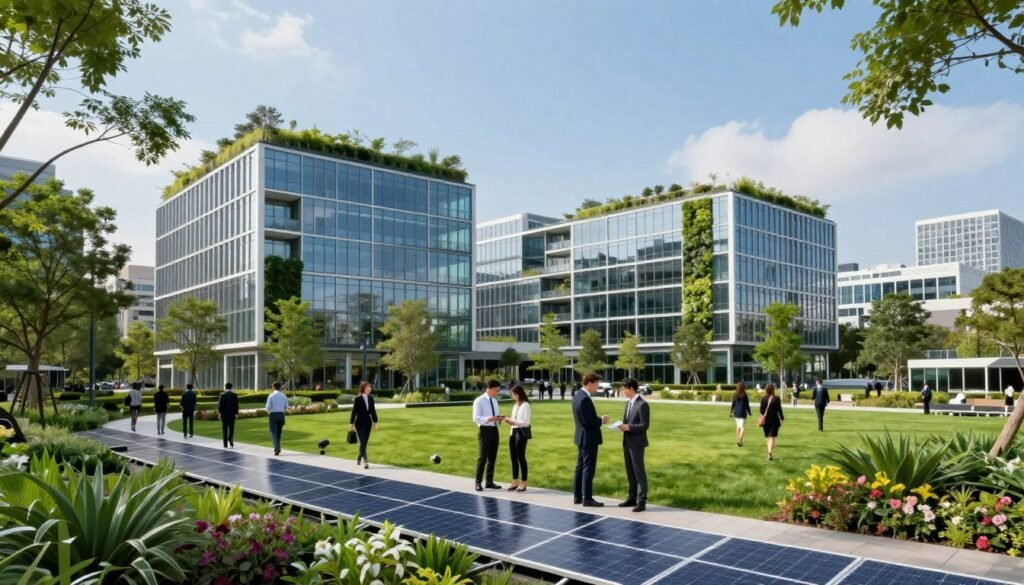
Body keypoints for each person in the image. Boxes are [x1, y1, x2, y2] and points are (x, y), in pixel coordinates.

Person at [572, 372, 609, 507]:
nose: (597, 387)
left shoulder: (577, 396)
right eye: (596, 384)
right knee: (588, 468)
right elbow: (588, 421)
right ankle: (587, 498)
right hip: (589, 438)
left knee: (580, 467)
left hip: (581, 437)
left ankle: (577, 496)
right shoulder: (585, 399)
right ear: (590, 383)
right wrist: (601, 420)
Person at [617, 378, 649, 513]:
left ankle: (641, 501)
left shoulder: (642, 404)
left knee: (638, 472)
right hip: (627, 442)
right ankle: (632, 497)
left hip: (637, 443)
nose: (622, 391)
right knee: (630, 471)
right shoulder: (628, 404)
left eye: (624, 389)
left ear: (631, 389)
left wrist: (628, 427)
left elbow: (644, 425)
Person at [472, 380, 504, 491]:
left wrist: (498, 419)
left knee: (492, 457)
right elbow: (475, 418)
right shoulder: (479, 401)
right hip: (484, 431)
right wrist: (489, 419)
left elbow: (494, 416)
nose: (497, 392)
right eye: (496, 390)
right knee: (482, 457)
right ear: (489, 388)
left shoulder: (495, 401)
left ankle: (489, 482)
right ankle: (478, 482)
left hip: (495, 430)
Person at [503, 384, 532, 492]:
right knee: (513, 458)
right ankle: (515, 480)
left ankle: (524, 482)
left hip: (521, 433)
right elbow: (514, 420)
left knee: (521, 457)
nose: (512, 396)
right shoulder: (515, 405)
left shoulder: (526, 405)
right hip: (513, 432)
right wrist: (507, 420)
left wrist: (512, 421)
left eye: (513, 394)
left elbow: (526, 423)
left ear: (518, 394)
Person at [350, 381, 378, 468]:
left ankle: (359, 457)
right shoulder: (357, 399)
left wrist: (375, 422)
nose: (370, 389)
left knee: (364, 443)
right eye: (368, 387)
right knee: (363, 441)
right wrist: (351, 423)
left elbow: (373, 411)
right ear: (363, 388)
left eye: (370, 387)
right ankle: (365, 461)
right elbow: (354, 412)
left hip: (368, 423)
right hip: (359, 423)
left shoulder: (371, 398)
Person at [759, 383, 784, 461]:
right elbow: (779, 409)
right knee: (772, 436)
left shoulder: (763, 398)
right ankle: (770, 452)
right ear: (773, 389)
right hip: (774, 419)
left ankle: (769, 452)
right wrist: (782, 418)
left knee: (768, 436)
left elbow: (761, 410)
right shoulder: (776, 398)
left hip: (766, 420)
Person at [266, 382, 289, 456]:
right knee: (279, 433)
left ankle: (277, 448)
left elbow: (268, 407)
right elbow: (286, 407)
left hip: (273, 414)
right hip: (281, 415)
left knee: (273, 433)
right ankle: (278, 447)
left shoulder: (271, 395)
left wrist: (269, 412)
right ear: (280, 387)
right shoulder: (284, 396)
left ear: (273, 387)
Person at [730, 381, 751, 447]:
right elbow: (747, 404)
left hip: (736, 412)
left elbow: (733, 404)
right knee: (742, 427)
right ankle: (740, 440)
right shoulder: (744, 395)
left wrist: (731, 412)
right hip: (742, 413)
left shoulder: (735, 394)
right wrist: (749, 412)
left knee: (738, 427)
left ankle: (738, 440)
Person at [218, 382, 239, 448]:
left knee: (224, 429)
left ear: (225, 387)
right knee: (231, 428)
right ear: (231, 387)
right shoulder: (234, 395)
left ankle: (225, 444)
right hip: (232, 414)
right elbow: (236, 405)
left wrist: (220, 413)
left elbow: (220, 406)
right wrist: (236, 413)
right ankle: (230, 438)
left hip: (224, 414)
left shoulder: (222, 395)